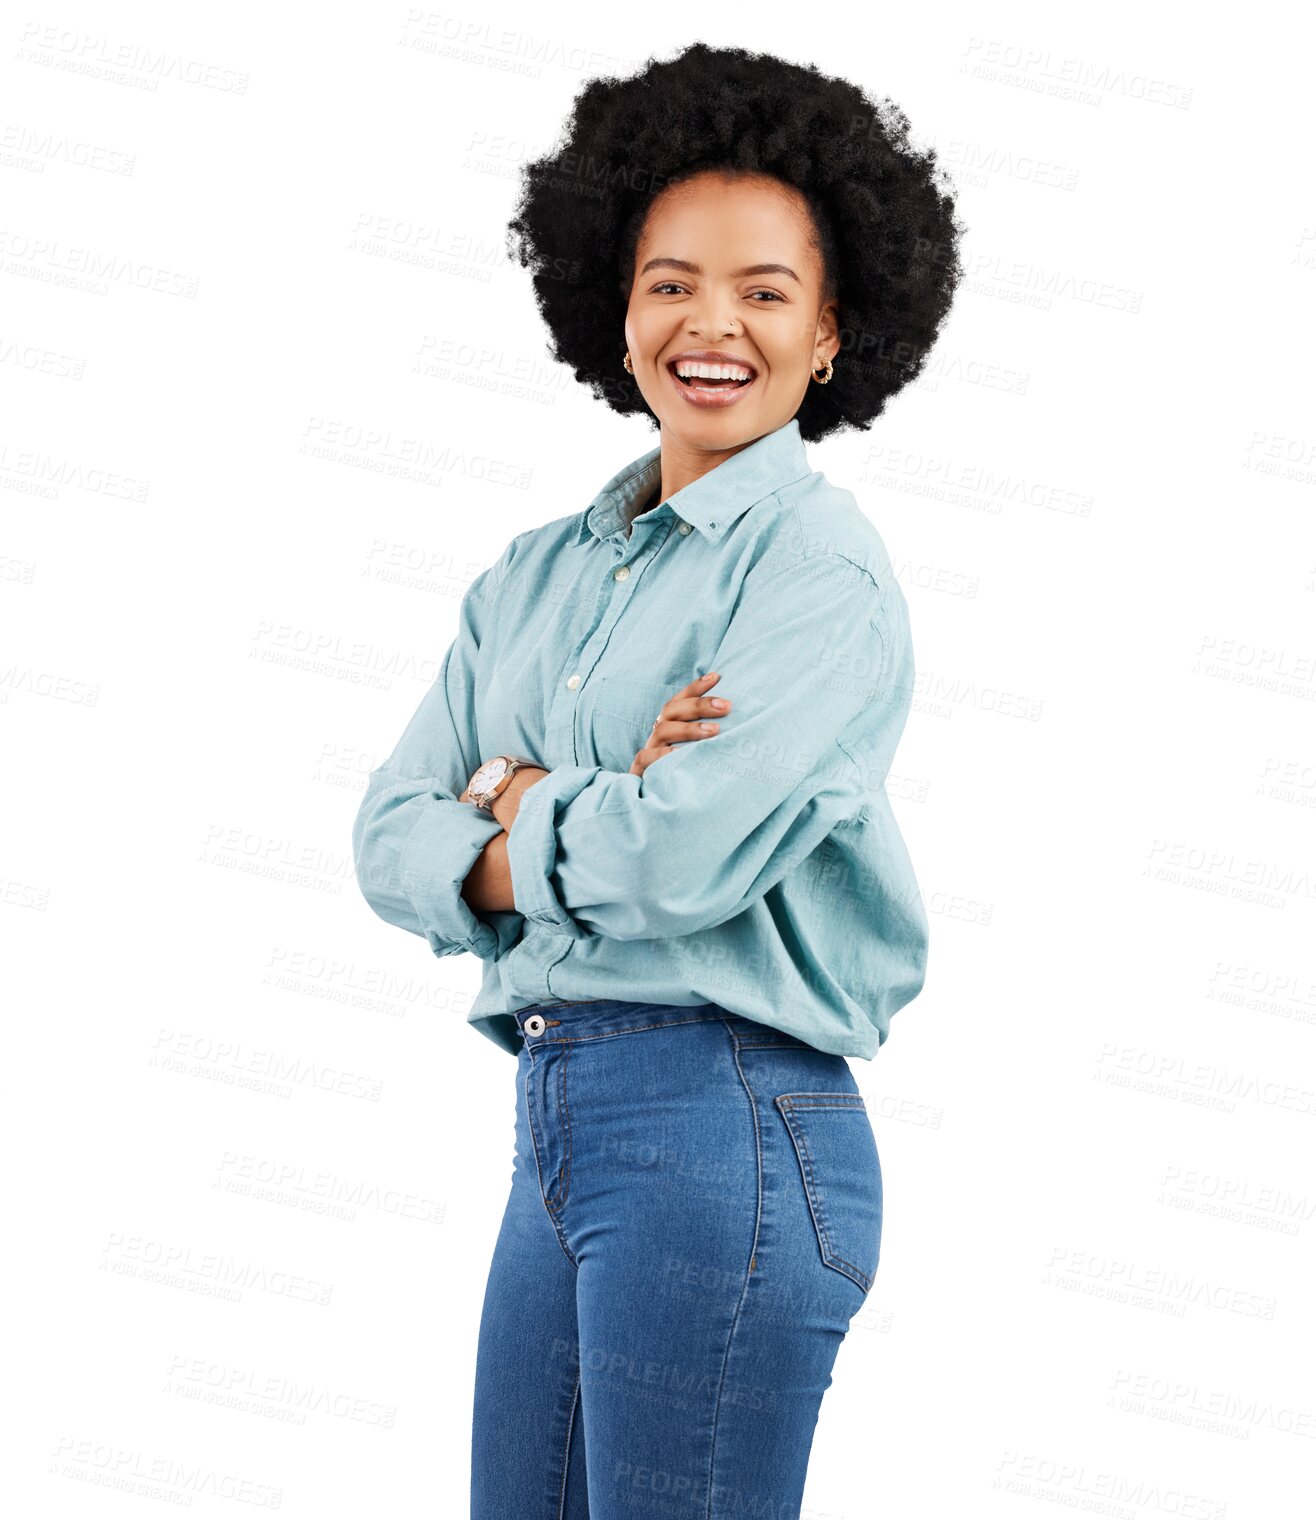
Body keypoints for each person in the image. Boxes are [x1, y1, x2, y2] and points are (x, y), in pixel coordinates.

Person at [351, 41, 965, 1518]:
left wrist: (505, 799)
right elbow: (381, 837)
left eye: (766, 292)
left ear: (833, 334)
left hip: (731, 1127)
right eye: (672, 281)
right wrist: (589, 802)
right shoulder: (534, 575)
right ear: (612, 306)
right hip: (555, 1121)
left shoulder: (815, 570)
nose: (713, 325)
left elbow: (682, 859)